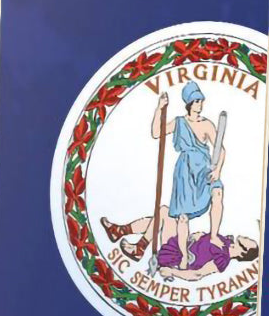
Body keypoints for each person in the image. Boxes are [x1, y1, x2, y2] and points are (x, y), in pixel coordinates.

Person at [145, 83, 225, 268]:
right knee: (182, 216)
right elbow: (156, 132)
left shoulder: (207, 124)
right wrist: (159, 108)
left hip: (205, 168)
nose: (200, 104)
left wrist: (218, 169)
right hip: (185, 172)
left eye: (201, 100)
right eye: (197, 101)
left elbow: (220, 149)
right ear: (189, 103)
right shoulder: (179, 122)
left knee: (218, 193)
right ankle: (183, 255)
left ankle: (213, 236)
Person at [99, 204, 257, 278]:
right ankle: (119, 232)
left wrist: (173, 272)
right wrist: (200, 235)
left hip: (178, 255)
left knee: (163, 213)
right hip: (184, 241)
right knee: (161, 216)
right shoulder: (226, 242)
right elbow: (205, 244)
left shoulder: (223, 260)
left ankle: (139, 248)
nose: (249, 238)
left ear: (243, 251)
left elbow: (198, 274)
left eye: (250, 242)